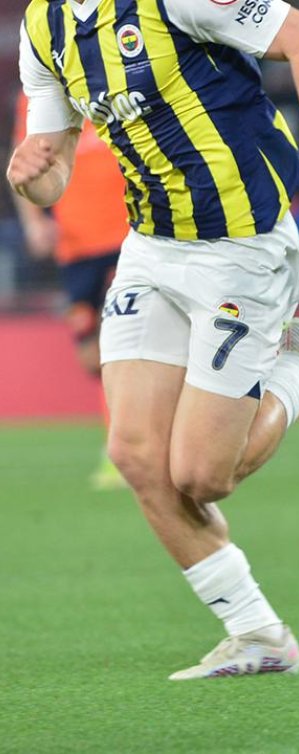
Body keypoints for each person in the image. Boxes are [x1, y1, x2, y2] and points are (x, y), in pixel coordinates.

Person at [10, 0, 299, 679]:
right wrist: (29, 178)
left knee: (202, 475)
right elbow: (53, 174)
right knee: (135, 454)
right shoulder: (42, 28)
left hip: (243, 248)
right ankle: (257, 633)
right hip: (150, 247)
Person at [11, 92, 130, 490]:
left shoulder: (117, 74)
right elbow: (24, 156)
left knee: (122, 343)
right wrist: (34, 222)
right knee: (92, 358)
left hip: (129, 234)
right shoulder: (38, 92)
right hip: (76, 245)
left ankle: (124, 449)